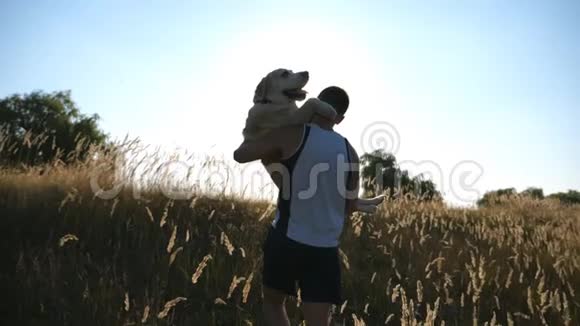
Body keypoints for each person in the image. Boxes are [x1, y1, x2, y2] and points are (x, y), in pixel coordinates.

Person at [233, 86, 367, 326]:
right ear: (341, 118)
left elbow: (241, 154)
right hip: (324, 251)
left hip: (286, 240)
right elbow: (348, 206)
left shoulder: (291, 134)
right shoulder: (351, 153)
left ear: (316, 102)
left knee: (274, 304)